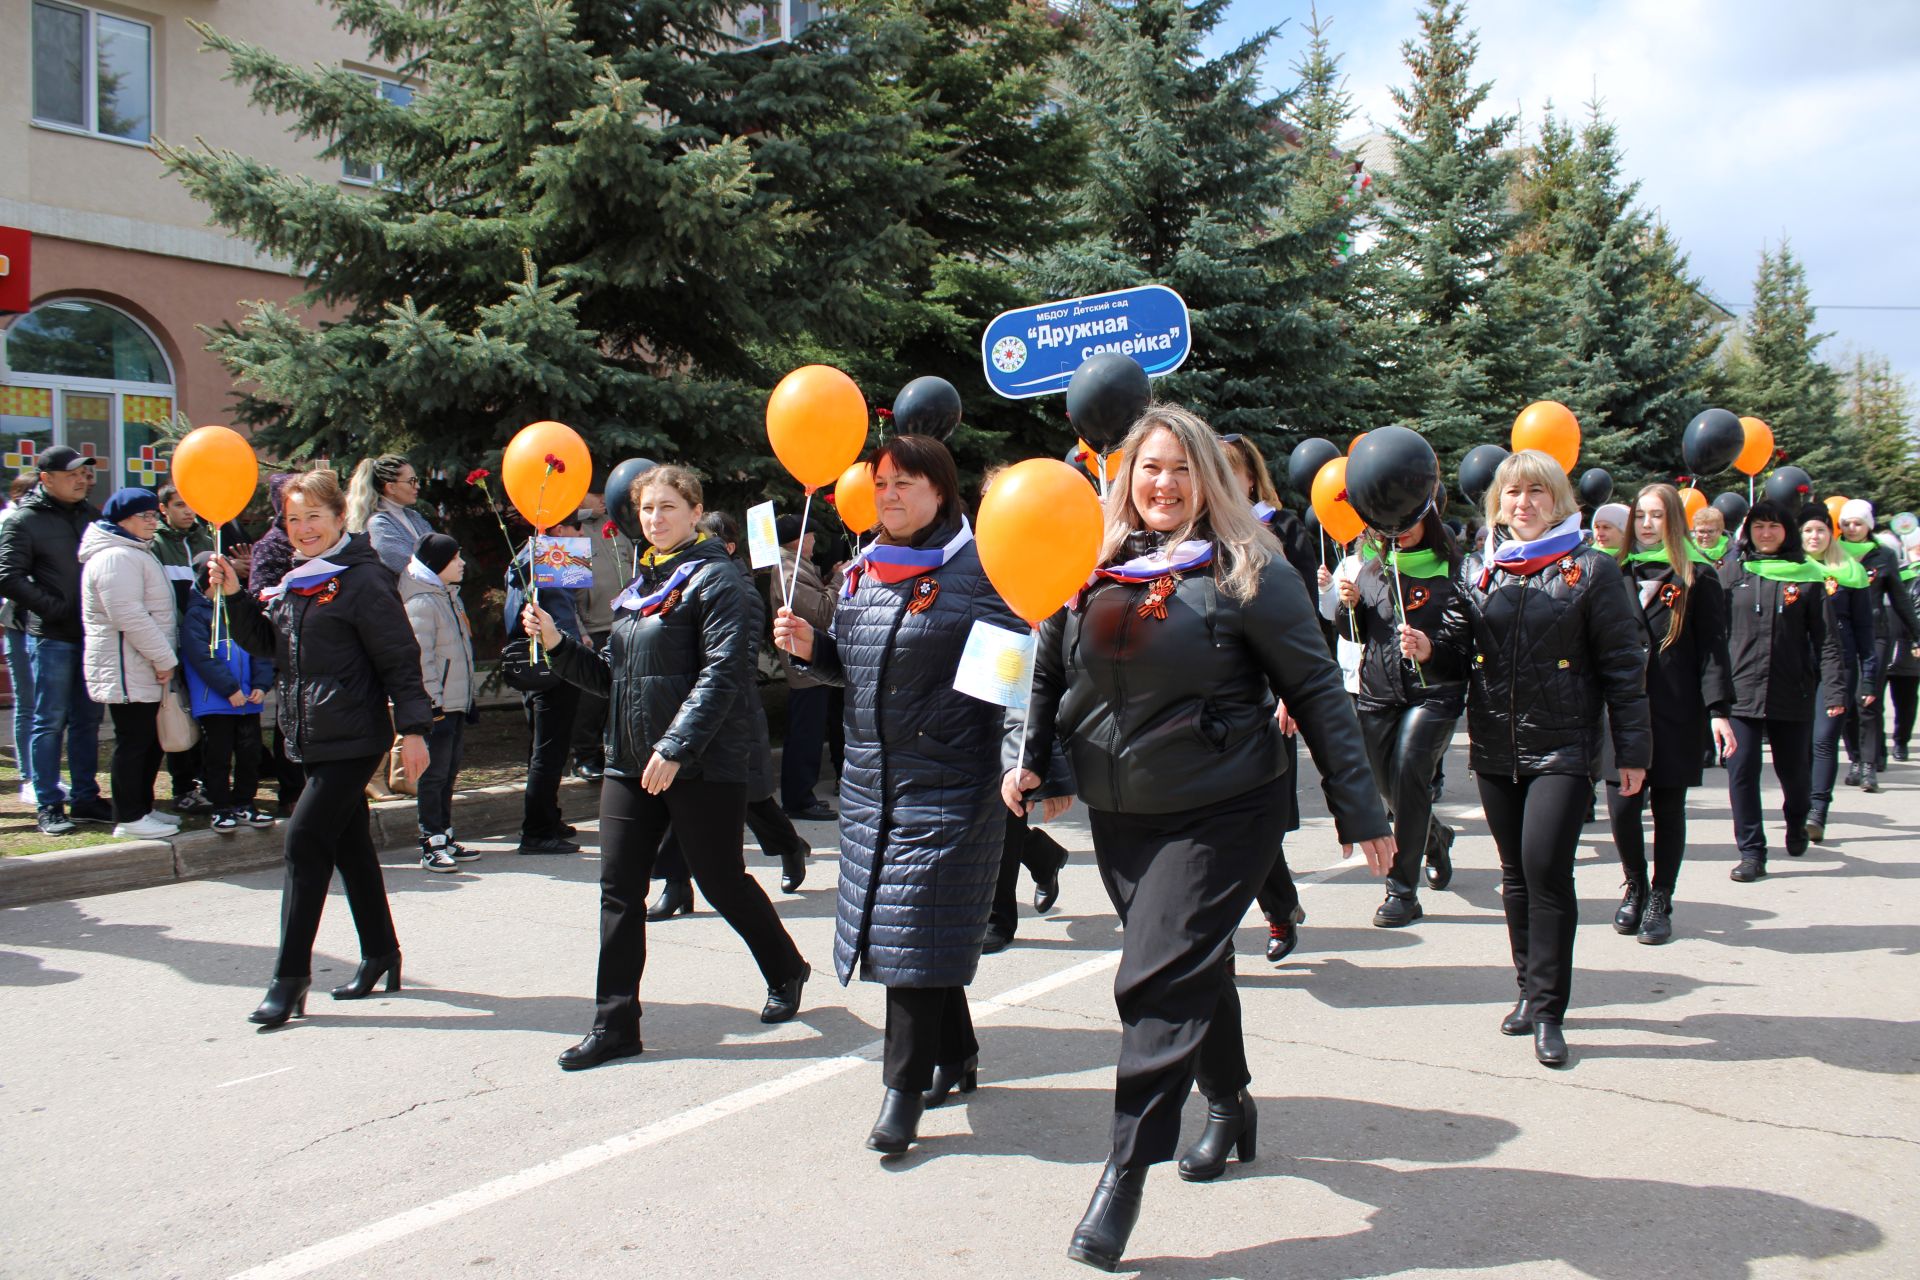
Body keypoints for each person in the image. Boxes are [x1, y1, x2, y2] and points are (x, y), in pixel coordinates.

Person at [1003, 407, 1392, 1273]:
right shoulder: (1092, 565)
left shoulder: (1251, 568)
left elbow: (1320, 691)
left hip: (1225, 807)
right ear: (1126, 479)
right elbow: (1048, 668)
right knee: (1190, 965)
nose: (1166, 485)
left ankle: (1123, 1175)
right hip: (1124, 811)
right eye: (1151, 469)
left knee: (1154, 979)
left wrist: (1361, 809)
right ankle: (1230, 1101)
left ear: (1210, 479)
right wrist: (1032, 763)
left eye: (1183, 469)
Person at [774, 435, 1017, 1155]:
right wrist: (812, 649)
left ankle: (901, 1093)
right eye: (881, 483)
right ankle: (959, 1052)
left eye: (905, 483)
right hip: (873, 788)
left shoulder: (980, 574)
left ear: (941, 493)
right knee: (918, 933)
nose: (889, 496)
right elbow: (856, 673)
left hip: (951, 786)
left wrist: (1027, 766)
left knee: (906, 934)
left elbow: (1010, 688)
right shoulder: (863, 573)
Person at [527, 465, 810, 1071]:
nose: (655, 519)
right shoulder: (639, 584)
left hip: (700, 762)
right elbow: (613, 679)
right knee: (618, 891)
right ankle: (615, 1024)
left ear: (693, 508)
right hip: (631, 763)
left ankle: (786, 967)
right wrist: (556, 644)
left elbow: (726, 673)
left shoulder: (718, 580)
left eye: (667, 507)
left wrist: (677, 747)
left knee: (721, 880)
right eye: (647, 509)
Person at [1416, 450, 1650, 1070]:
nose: (1523, 504)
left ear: (1558, 501)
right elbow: (1457, 650)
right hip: (1496, 745)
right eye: (1513, 493)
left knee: (1546, 869)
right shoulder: (1480, 566)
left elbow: (1626, 668)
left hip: (1565, 745)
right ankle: (1527, 991)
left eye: (1536, 493)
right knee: (1514, 873)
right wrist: (1426, 646)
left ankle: (1549, 1011)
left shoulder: (1592, 569)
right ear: (1498, 502)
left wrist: (1632, 750)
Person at [207, 468, 433, 1028]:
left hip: (354, 735)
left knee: (304, 843)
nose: (303, 528)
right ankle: (381, 952)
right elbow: (269, 646)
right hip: (313, 734)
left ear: (338, 518)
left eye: (314, 517)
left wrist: (414, 731)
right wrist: (234, 596)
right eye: (293, 519)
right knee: (350, 847)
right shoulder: (299, 579)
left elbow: (399, 657)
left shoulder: (362, 579)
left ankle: (290, 978)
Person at [646, 509, 809, 917]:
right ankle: (677, 886)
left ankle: (790, 846)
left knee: (752, 799)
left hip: (728, 709)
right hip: (683, 706)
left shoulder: (737, 588)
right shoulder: (679, 579)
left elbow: (735, 658)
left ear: (727, 546)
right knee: (677, 799)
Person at [1604, 485, 1736, 945]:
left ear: (1674, 521)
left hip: (1675, 708)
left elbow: (1713, 651)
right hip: (1620, 710)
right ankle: (1635, 884)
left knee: (1667, 807)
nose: (1645, 524)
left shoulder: (1697, 576)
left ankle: (1661, 897)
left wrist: (1718, 711)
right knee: (1622, 807)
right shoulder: (1611, 572)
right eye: (1639, 515)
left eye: (1656, 515)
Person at [1333, 492, 1469, 928]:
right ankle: (1436, 836)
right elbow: (1356, 635)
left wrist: (1432, 650)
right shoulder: (1372, 570)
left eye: (1411, 515)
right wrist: (1348, 607)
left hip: (1435, 696)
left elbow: (1469, 648)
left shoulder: (1454, 569)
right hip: (1377, 694)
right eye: (1392, 518)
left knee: (1411, 771)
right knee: (1388, 787)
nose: (1402, 525)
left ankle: (1401, 891)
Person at [1224, 434, 1318, 961]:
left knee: (1258, 822)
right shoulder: (1195, 532)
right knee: (1226, 821)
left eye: (1229, 470)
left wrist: (1292, 693)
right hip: (1218, 695)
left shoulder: (1282, 528)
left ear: (1252, 478)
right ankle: (1240, 925)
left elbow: (1301, 620)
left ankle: (1279, 911)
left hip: (1268, 694)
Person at [1717, 499, 1844, 883]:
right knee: (1741, 772)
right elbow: (1713, 632)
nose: (1766, 533)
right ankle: (1752, 852)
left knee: (1795, 776)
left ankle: (1796, 820)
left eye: (1774, 526)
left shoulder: (1806, 576)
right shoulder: (1732, 572)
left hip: (1792, 691)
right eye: (1758, 526)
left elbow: (1827, 642)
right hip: (1740, 693)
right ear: (1748, 531)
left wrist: (1835, 691)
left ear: (1787, 531)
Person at [0, 445, 112, 835]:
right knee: (48, 720)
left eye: (85, 474)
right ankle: (49, 802)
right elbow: (8, 576)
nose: (82, 480)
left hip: (92, 634)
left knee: (88, 720)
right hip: (51, 637)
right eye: (73, 474)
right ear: (46, 479)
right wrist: (56, 608)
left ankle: (85, 797)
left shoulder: (91, 515)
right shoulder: (24, 521)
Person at [78, 488, 183, 840]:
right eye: (145, 516)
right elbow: (130, 617)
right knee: (134, 741)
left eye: (154, 515)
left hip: (143, 665)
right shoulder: (115, 557)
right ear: (122, 519)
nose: (153, 521)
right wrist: (164, 658)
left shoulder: (134, 551)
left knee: (149, 741)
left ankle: (143, 807)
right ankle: (129, 816)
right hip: (129, 668)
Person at [181, 553, 275, 835]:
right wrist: (229, 689)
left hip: (248, 702)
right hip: (216, 702)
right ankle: (221, 807)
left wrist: (261, 684)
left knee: (249, 754)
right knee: (218, 756)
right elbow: (202, 659)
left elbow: (259, 649)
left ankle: (245, 802)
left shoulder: (240, 609)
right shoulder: (197, 616)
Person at [505, 526, 586, 855]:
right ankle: (537, 830)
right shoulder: (549, 556)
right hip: (552, 663)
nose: (579, 533)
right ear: (560, 527)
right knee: (549, 751)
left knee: (545, 747)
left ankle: (548, 817)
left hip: (535, 662)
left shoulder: (523, 557)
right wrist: (573, 646)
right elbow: (560, 611)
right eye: (575, 526)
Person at [400, 533, 479, 873]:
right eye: (455, 558)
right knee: (433, 776)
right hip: (438, 707)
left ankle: (445, 834)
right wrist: (433, 704)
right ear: (437, 564)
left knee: (448, 773)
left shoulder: (448, 596)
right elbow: (421, 661)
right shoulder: (421, 602)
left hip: (456, 702)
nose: (462, 563)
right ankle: (430, 841)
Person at [1802, 505, 1876, 845]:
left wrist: (1870, 675)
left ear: (1831, 534)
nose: (1814, 537)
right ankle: (1798, 806)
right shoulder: (1792, 570)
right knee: (1801, 743)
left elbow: (1864, 630)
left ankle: (1817, 810)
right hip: (1799, 667)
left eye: (1820, 530)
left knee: (1823, 739)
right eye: (1807, 531)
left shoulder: (1851, 572)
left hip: (1840, 667)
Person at [1836, 500, 1920, 789]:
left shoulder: (1882, 555)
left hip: (1876, 634)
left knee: (1868, 697)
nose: (1851, 528)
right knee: (1846, 700)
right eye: (1846, 523)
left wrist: (1917, 633)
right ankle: (1856, 759)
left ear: (1868, 525)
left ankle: (1870, 766)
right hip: (1842, 634)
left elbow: (1900, 598)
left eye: (1857, 523)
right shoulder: (1831, 553)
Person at [151, 485, 217, 816]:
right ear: (164, 509)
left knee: (206, 716)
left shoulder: (205, 540)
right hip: (173, 643)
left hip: (205, 642)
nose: (188, 511)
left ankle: (209, 781)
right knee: (177, 717)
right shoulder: (157, 544)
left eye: (191, 505)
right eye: (179, 505)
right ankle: (183, 787)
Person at [771, 514, 837, 821]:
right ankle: (798, 798)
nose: (814, 542)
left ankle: (802, 795)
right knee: (805, 734)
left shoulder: (795, 567)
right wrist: (840, 580)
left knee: (809, 731)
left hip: (809, 662)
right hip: (804, 665)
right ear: (799, 540)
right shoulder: (789, 571)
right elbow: (822, 612)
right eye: (810, 536)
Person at [247, 473, 305, 814]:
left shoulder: (317, 538)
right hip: (288, 645)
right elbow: (260, 596)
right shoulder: (273, 544)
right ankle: (292, 791)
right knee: (290, 720)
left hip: (321, 643)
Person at [570, 492, 623, 782]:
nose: (604, 498)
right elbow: (566, 592)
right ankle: (585, 755)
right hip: (593, 628)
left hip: (623, 623)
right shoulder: (569, 529)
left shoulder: (616, 524)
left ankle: (612, 753)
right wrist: (578, 627)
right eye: (597, 493)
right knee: (591, 699)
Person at [1, 474, 38, 805]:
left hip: (46, 627)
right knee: (27, 704)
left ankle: (41, 776)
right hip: (19, 624)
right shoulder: (9, 524)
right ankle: (28, 777)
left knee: (47, 709)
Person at [346, 454, 434, 575]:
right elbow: (408, 568)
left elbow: (439, 552)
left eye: (416, 480)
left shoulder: (413, 516)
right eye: (411, 481)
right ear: (391, 487)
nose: (417, 486)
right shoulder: (378, 524)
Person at [1888, 532, 1920, 762]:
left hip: (1907, 646)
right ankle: (1875, 748)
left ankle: (1901, 741)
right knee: (1870, 700)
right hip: (1881, 642)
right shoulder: (1897, 573)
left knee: (1905, 699)